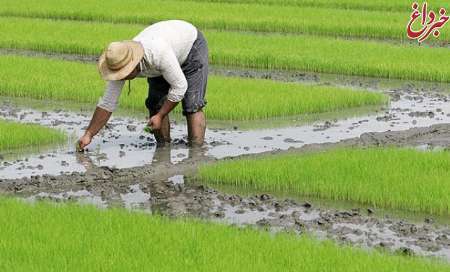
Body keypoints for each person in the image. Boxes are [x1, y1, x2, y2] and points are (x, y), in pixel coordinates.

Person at [77, 20, 208, 150]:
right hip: (165, 55)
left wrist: (161, 115)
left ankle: (196, 153)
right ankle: (163, 149)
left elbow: (180, 87)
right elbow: (107, 103)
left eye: (125, 72)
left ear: (133, 64)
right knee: (155, 104)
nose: (122, 77)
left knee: (192, 104)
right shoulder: (119, 61)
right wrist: (89, 134)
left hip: (191, 46)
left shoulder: (157, 54)